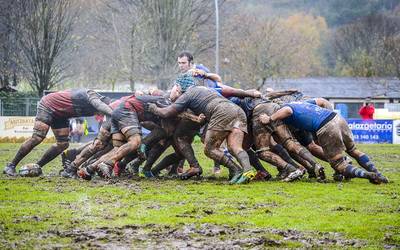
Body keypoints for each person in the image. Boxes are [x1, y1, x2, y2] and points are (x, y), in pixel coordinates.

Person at [149, 74, 255, 184]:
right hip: (237, 111)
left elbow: (166, 112)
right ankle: (247, 171)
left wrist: (154, 109)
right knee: (235, 147)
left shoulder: (188, 94)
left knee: (209, 149)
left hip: (221, 112)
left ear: (178, 86)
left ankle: (236, 169)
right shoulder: (205, 89)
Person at [259, 101, 388, 184]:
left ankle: (368, 175)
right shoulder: (300, 103)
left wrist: (269, 118)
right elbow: (320, 101)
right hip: (338, 119)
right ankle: (379, 174)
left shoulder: (286, 108)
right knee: (353, 150)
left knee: (338, 164)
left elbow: (287, 111)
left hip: (326, 127)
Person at [3, 89, 113, 176]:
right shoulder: (92, 95)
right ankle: (11, 165)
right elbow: (100, 106)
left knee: (63, 144)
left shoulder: (96, 106)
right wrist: (114, 114)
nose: (101, 113)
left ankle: (37, 166)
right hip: (48, 105)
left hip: (61, 115)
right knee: (37, 137)